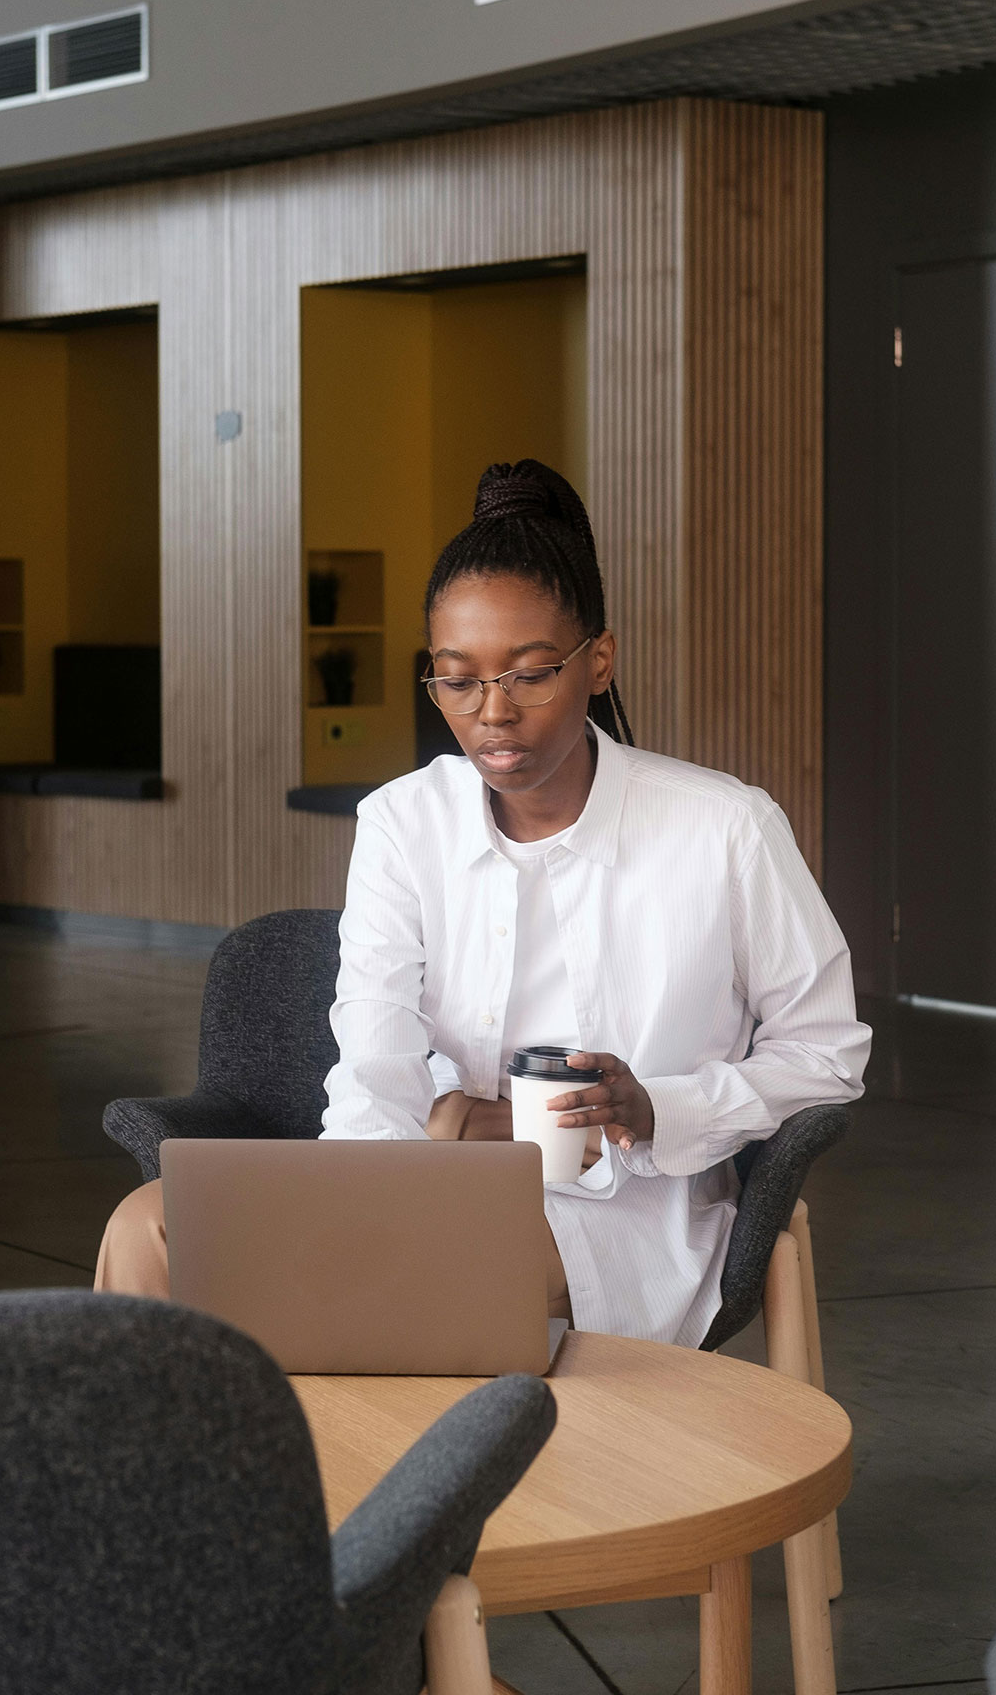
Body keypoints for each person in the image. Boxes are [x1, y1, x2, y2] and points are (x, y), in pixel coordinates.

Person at [95, 459, 869, 1346]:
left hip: (625, 1211)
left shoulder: (724, 828)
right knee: (146, 1228)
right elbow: (374, 1052)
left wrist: (658, 1107)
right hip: (422, 1178)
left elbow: (825, 1052)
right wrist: (360, 1197)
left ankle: (385, 1476)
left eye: (531, 674)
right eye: (457, 680)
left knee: (387, 1280)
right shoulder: (401, 821)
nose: (492, 712)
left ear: (599, 662)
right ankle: (191, 1481)